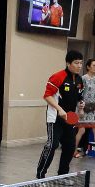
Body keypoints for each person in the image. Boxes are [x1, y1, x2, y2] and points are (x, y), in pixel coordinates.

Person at [36, 49, 83, 179]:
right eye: (76, 63)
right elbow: (47, 96)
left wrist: (81, 105)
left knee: (70, 147)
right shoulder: (58, 76)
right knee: (52, 145)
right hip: (55, 118)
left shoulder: (79, 80)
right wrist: (59, 109)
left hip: (69, 119)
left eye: (81, 63)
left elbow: (79, 97)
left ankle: (62, 175)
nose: (79, 66)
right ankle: (40, 177)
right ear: (68, 63)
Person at [74, 59, 95, 158]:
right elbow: (79, 94)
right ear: (88, 67)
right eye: (94, 65)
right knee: (81, 130)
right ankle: (73, 150)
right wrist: (80, 108)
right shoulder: (83, 78)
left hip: (93, 108)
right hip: (83, 107)